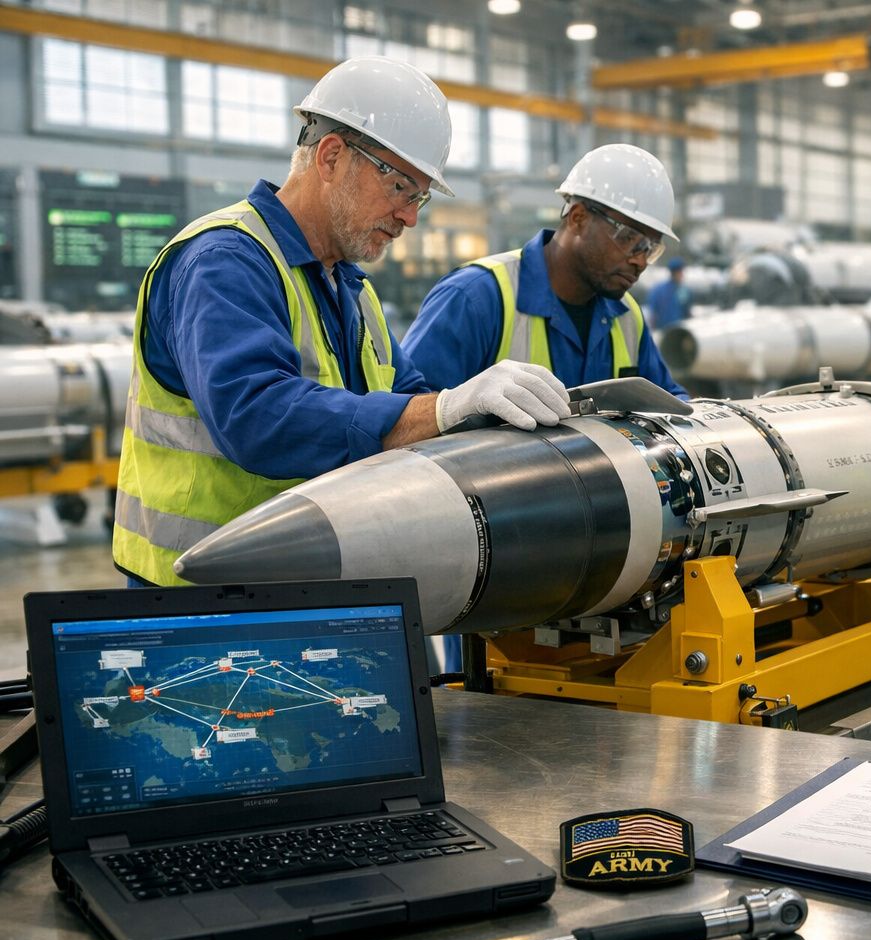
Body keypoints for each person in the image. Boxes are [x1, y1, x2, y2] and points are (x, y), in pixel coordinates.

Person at [113, 56, 571, 587]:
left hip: (310, 587)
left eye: (419, 196)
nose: (410, 217)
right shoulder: (224, 261)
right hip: (208, 606)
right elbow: (257, 418)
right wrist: (445, 408)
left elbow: (410, 399)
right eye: (401, 188)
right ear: (331, 157)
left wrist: (482, 419)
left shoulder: (350, 288)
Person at [403, 144, 688, 399]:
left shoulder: (626, 315)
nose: (640, 261)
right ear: (578, 219)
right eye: (628, 239)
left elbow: (669, 402)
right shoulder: (475, 300)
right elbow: (408, 416)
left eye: (650, 249)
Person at [646, 257, 694, 330]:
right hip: (663, 330)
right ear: (673, 273)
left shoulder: (684, 290)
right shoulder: (659, 290)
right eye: (679, 272)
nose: (681, 274)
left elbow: (687, 311)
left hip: (679, 329)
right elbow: (653, 313)